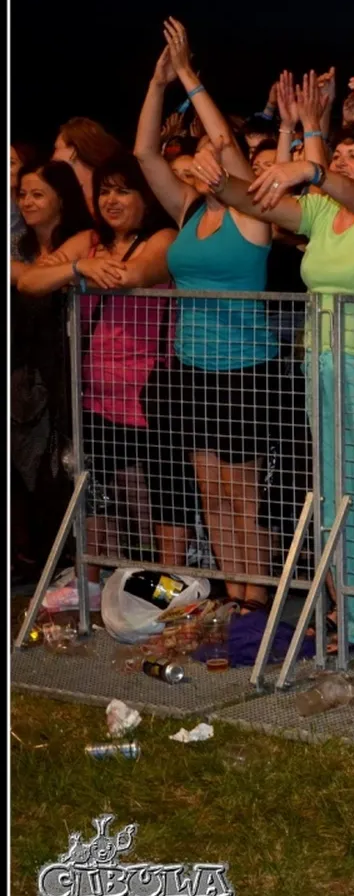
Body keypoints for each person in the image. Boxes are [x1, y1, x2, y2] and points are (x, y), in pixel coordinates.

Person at [202, 89, 354, 660]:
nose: (344, 162)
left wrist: (313, 168)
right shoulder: (323, 211)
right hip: (321, 361)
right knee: (334, 490)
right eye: (340, 154)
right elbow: (262, 205)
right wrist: (220, 185)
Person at [134, 19, 286, 617]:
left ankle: (257, 601)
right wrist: (158, 82)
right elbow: (144, 152)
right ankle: (232, 592)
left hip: (245, 369)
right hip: (192, 367)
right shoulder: (189, 208)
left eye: (210, 153)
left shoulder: (254, 212)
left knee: (243, 494)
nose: (201, 158)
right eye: (196, 153)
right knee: (212, 493)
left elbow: (223, 137)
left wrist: (188, 73)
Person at [14, 154, 188, 593]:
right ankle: (94, 587)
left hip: (149, 390)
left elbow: (132, 274)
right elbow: (30, 281)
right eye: (105, 191)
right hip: (92, 392)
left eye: (123, 190)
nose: (112, 200)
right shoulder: (89, 241)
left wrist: (76, 274)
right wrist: (77, 266)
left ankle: (165, 592)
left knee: (162, 495)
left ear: (146, 196)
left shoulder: (164, 237)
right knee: (96, 494)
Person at [10, 159, 93, 579]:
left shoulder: (84, 239)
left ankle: (71, 564)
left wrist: (31, 273)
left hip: (67, 370)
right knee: (25, 468)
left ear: (63, 198)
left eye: (37, 194)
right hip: (22, 371)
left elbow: (32, 281)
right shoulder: (20, 243)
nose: (26, 201)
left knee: (62, 468)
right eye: (22, 193)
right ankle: (37, 562)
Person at [52, 117, 124, 218]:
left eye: (57, 148)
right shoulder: (64, 201)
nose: (52, 157)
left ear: (73, 150)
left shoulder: (111, 200)